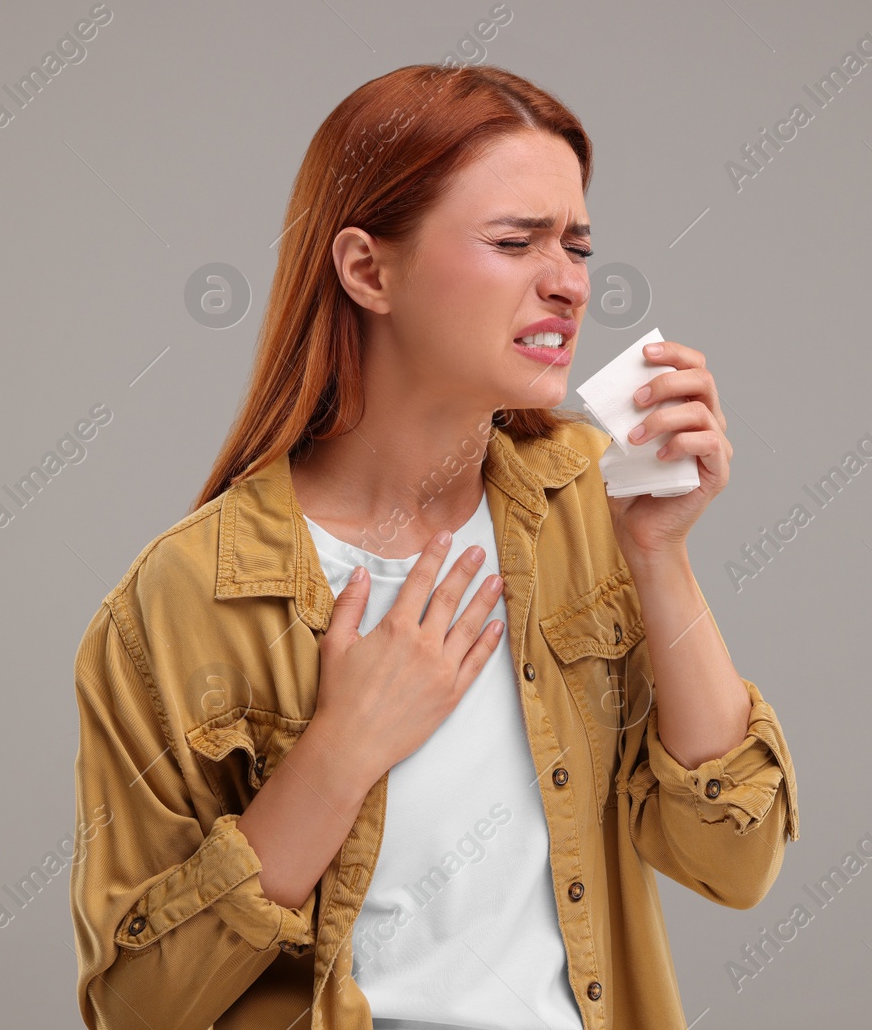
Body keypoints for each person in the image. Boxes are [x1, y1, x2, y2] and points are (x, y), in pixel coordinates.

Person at [69, 62, 799, 1030]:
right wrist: (340, 748)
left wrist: (660, 556)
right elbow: (136, 1005)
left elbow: (732, 857)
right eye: (514, 241)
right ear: (368, 269)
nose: (568, 284)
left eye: (577, 245)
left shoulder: (591, 501)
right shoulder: (183, 597)